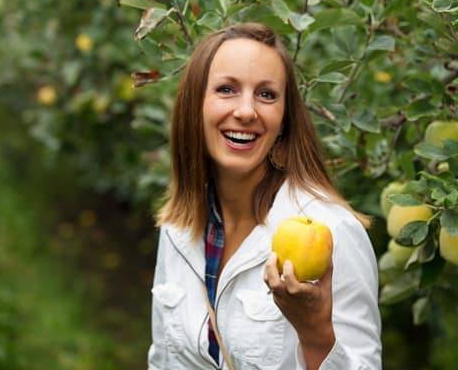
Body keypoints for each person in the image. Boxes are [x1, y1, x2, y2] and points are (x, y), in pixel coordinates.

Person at [148, 22, 381, 370]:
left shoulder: (329, 232)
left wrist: (315, 333)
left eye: (266, 94)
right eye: (226, 89)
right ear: (195, 106)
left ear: (284, 119)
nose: (246, 111)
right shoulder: (180, 225)